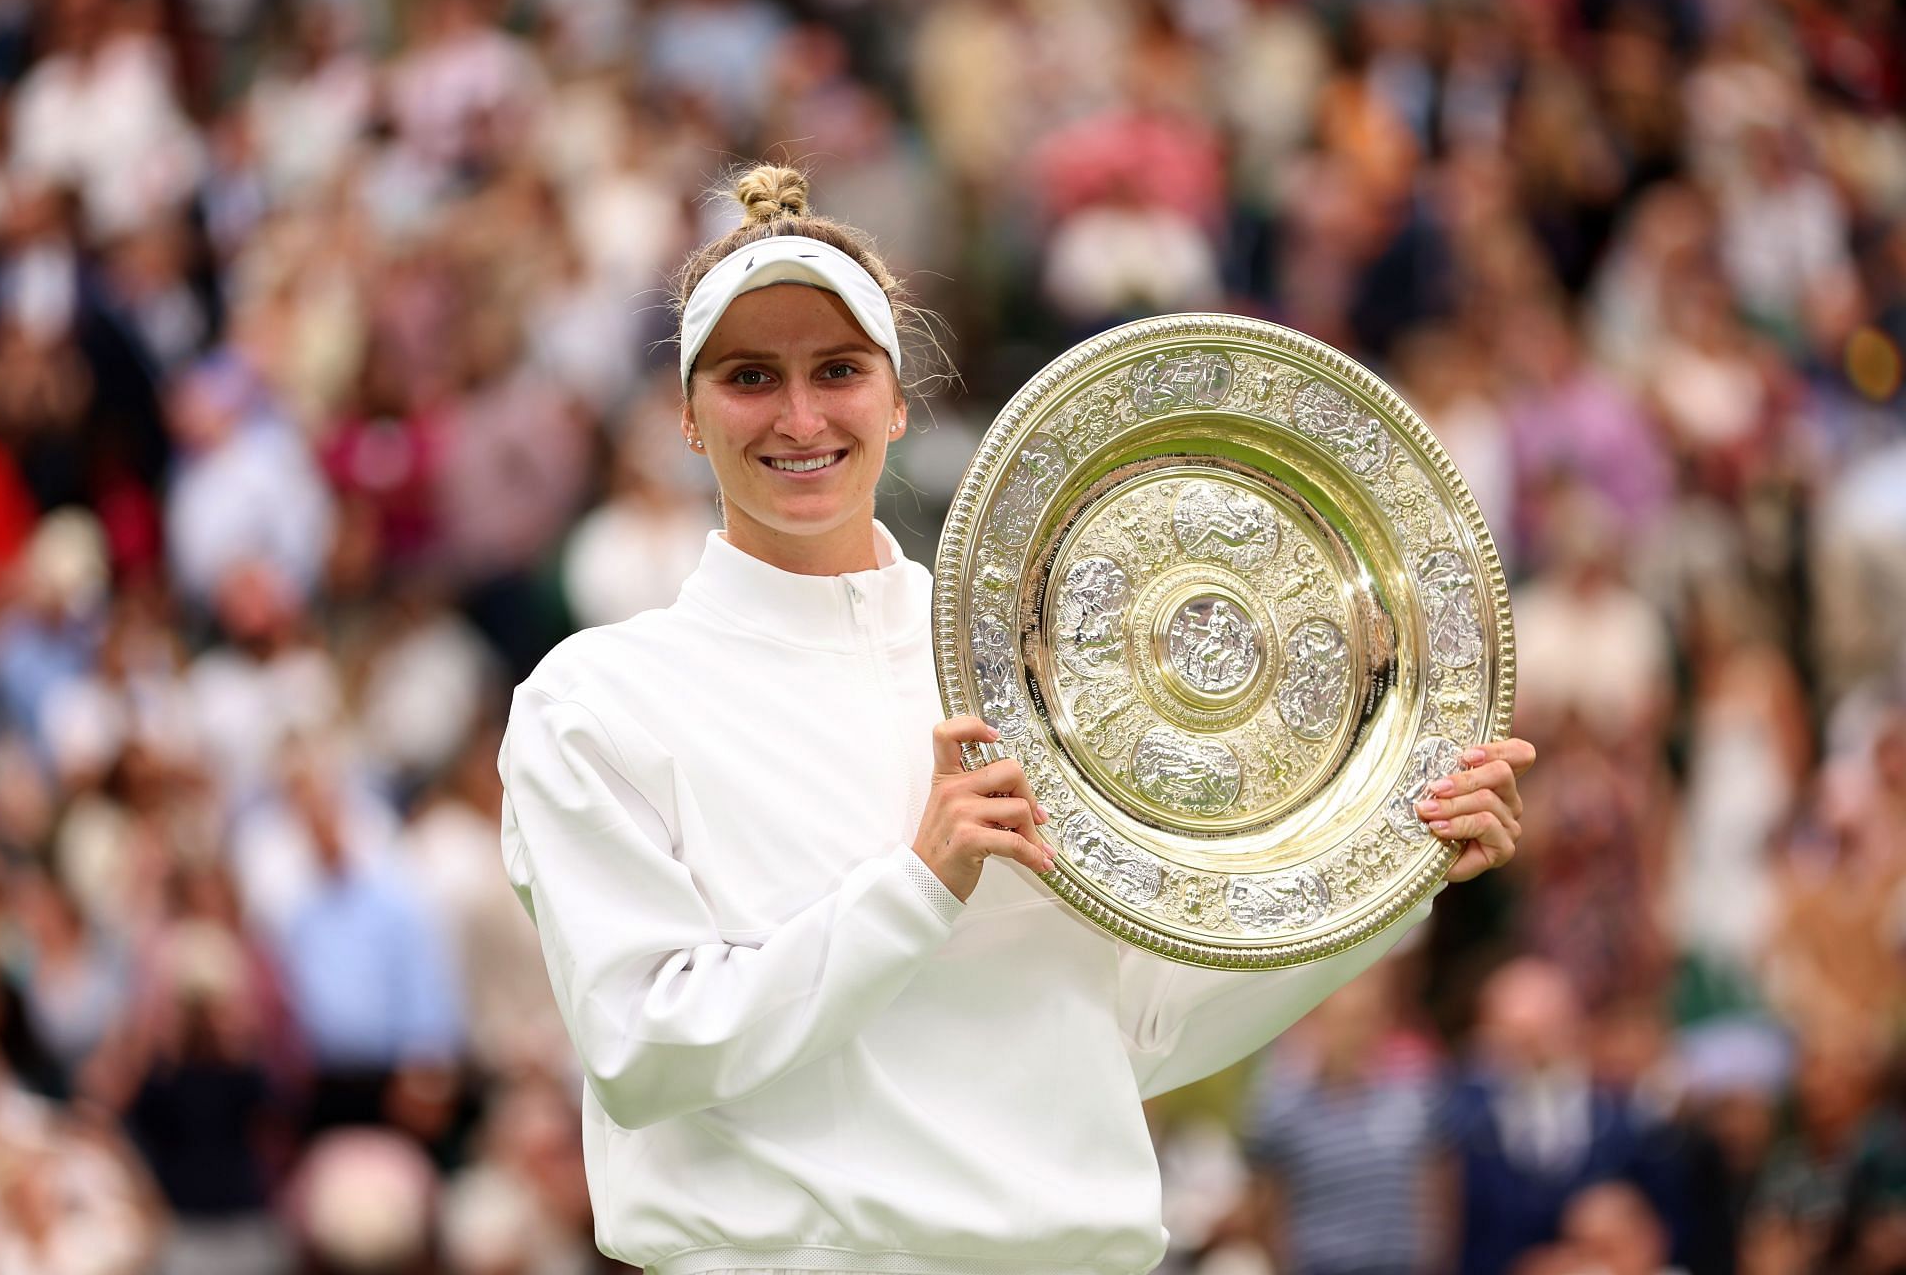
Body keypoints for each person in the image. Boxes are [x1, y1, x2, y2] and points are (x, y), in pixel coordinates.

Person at [497, 164, 1535, 1274]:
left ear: (897, 400)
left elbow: (1132, 1028)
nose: (801, 417)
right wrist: (920, 880)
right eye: (752, 376)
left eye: (838, 370)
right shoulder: (596, 697)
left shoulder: (1038, 663)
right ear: (689, 418)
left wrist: (1396, 867)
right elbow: (645, 1047)